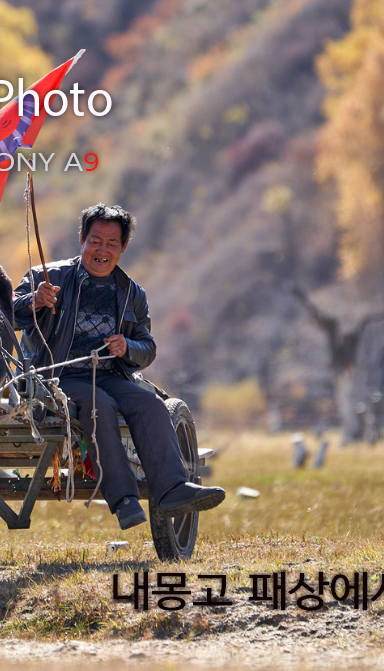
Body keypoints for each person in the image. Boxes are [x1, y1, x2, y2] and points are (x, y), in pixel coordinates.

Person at [12, 203, 225, 529]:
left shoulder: (132, 293)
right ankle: (124, 499)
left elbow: (147, 349)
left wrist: (127, 347)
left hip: (111, 374)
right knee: (99, 404)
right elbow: (8, 314)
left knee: (151, 404)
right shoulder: (47, 277)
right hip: (55, 375)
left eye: (112, 243)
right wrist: (34, 300)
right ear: (82, 238)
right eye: (95, 241)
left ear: (123, 247)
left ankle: (173, 489)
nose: (102, 250)